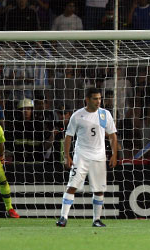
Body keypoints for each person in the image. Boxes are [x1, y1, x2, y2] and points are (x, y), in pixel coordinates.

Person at [56, 87, 118, 227]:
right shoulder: (77, 115)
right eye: (95, 99)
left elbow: (113, 136)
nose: (98, 102)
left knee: (98, 189)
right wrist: (67, 156)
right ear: (87, 100)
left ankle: (96, 219)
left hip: (99, 157)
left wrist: (114, 155)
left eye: (99, 99)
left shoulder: (105, 114)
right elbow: (68, 137)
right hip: (81, 156)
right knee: (72, 186)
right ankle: (63, 217)